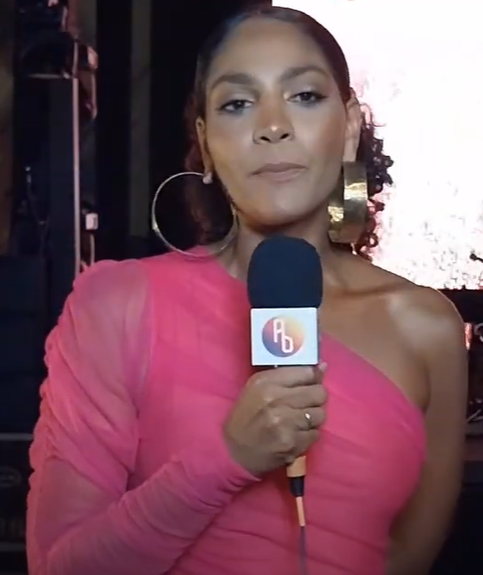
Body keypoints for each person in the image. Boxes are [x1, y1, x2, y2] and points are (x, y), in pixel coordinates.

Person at [26, 6, 467, 575]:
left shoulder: (427, 328)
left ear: (350, 128)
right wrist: (229, 457)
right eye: (238, 103)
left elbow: (406, 557)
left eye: (304, 96)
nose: (273, 125)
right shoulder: (115, 306)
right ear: (206, 143)